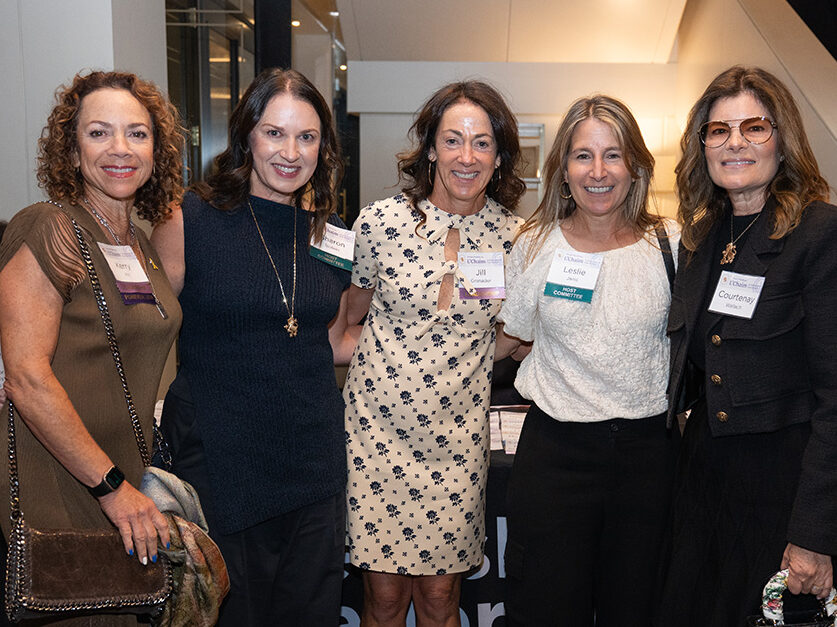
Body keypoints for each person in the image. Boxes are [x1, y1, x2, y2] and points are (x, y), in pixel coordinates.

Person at [151, 68, 356, 626]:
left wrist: (447, 340)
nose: (291, 152)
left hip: (313, 465)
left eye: (307, 137)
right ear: (246, 136)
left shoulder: (330, 232)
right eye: (274, 133)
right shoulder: (188, 218)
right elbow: (140, 329)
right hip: (220, 460)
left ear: (323, 147)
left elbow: (334, 339)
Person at [0, 70, 184, 626]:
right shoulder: (50, 228)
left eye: (137, 133)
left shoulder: (139, 244)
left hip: (125, 480)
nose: (121, 149)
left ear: (157, 148)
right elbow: (27, 377)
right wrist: (110, 488)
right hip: (67, 483)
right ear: (71, 149)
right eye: (99, 133)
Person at [656, 66, 837, 626]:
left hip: (780, 495)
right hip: (704, 485)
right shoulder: (703, 237)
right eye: (718, 131)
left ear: (783, 142)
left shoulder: (819, 235)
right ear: (701, 147)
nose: (735, 142)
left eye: (754, 127)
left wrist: (812, 536)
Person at [343, 80, 525, 626]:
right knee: (383, 601)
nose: (466, 157)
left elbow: (515, 335)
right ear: (430, 149)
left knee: (443, 600)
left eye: (482, 143)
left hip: (456, 442)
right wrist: (394, 366)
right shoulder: (378, 224)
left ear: (499, 155)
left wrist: (461, 361)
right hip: (377, 436)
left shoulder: (516, 238)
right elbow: (348, 324)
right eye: (453, 140)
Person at [497, 95, 679, 627]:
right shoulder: (533, 244)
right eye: (582, 156)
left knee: (637, 608)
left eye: (613, 155)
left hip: (648, 460)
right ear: (562, 168)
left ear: (636, 165)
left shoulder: (670, 242)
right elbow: (511, 339)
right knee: (545, 608)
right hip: (556, 456)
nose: (597, 172)